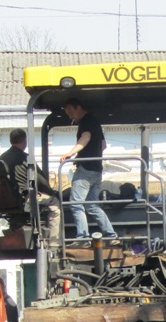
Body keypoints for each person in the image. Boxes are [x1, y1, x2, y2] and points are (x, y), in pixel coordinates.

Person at [59, 98, 117, 241]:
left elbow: (86, 137)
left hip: (85, 170)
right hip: (97, 170)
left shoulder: (86, 121)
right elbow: (103, 145)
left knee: (75, 203)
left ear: (78, 108)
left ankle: (82, 237)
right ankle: (111, 235)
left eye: (71, 112)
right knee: (91, 205)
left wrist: (71, 153)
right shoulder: (95, 122)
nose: (71, 116)